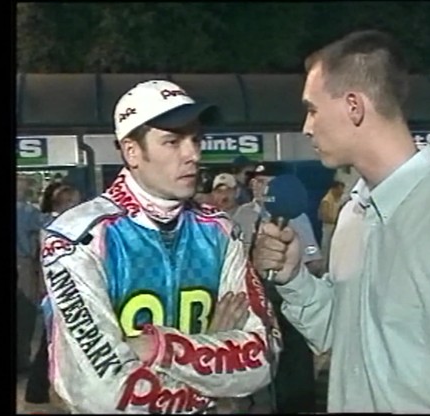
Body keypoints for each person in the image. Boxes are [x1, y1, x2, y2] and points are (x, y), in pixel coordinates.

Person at [252, 30, 430, 413]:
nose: (306, 127)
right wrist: (294, 280)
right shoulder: (353, 215)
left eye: (313, 109)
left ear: (354, 106)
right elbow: (344, 337)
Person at [39, 80, 281, 414]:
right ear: (132, 151)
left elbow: (264, 358)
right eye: (172, 141)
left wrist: (160, 348)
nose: (193, 154)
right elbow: (103, 394)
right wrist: (215, 366)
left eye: (195, 139)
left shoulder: (221, 230)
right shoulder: (77, 238)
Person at [233, 168, 323, 414]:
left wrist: (293, 276)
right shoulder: (242, 215)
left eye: (266, 182)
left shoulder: (295, 216)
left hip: (288, 300)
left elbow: (314, 260)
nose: (260, 187)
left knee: (292, 364)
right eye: (257, 181)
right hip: (253, 301)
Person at [25, 184, 82, 405]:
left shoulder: (51, 225)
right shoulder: (58, 228)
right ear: (64, 204)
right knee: (54, 341)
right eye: (74, 201)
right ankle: (40, 390)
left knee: (52, 341)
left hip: (57, 290)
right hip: (62, 290)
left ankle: (38, 391)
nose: (78, 205)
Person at [16, 176, 45, 374]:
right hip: (22, 264)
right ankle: (22, 358)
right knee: (25, 313)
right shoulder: (27, 211)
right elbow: (49, 225)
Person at [318, 180, 345, 271]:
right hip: (328, 228)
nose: (342, 192)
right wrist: (337, 220)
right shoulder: (326, 200)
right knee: (326, 249)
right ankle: (322, 270)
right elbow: (324, 216)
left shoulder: (338, 200)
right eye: (340, 189)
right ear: (334, 189)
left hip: (336, 227)